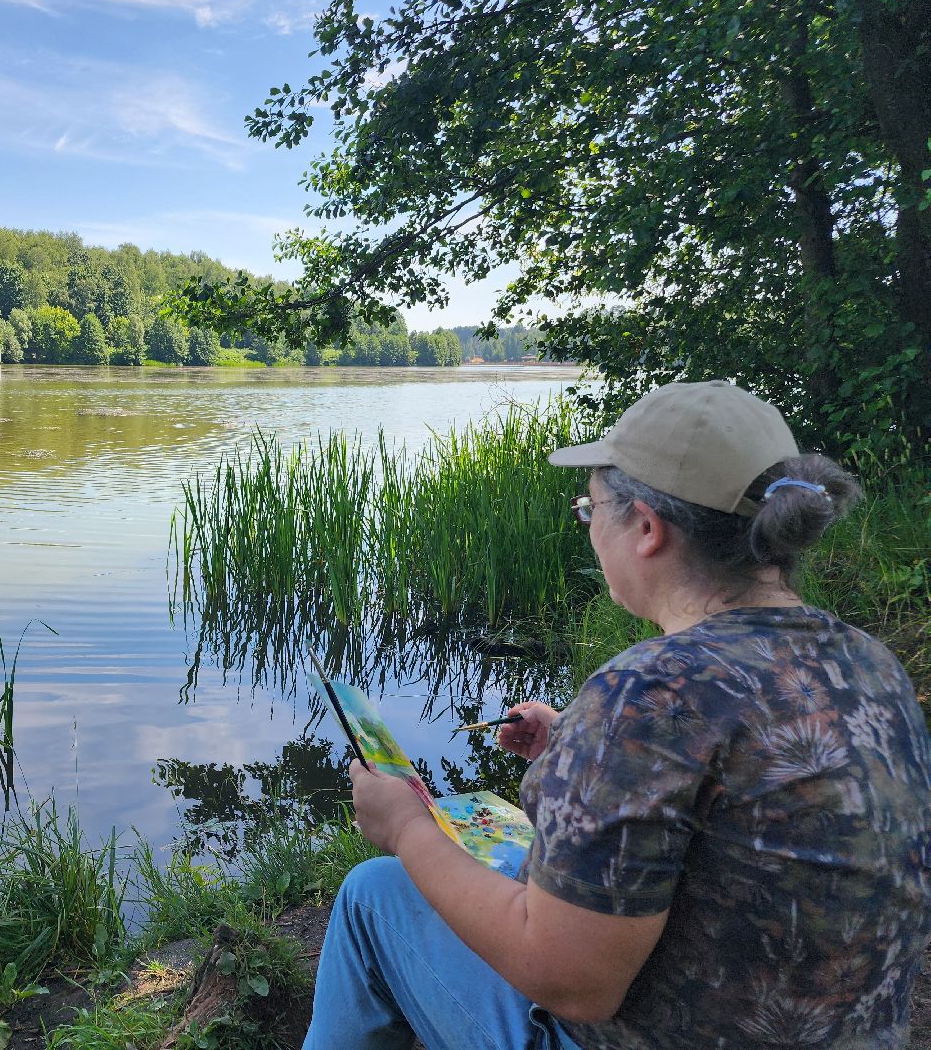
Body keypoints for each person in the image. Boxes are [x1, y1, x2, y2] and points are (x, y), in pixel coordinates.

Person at [304, 381, 931, 1050]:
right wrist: (569, 751)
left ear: (647, 529)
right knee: (500, 859)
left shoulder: (648, 691)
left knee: (376, 893)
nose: (589, 525)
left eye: (591, 508)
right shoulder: (866, 661)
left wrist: (405, 829)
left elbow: (571, 982)